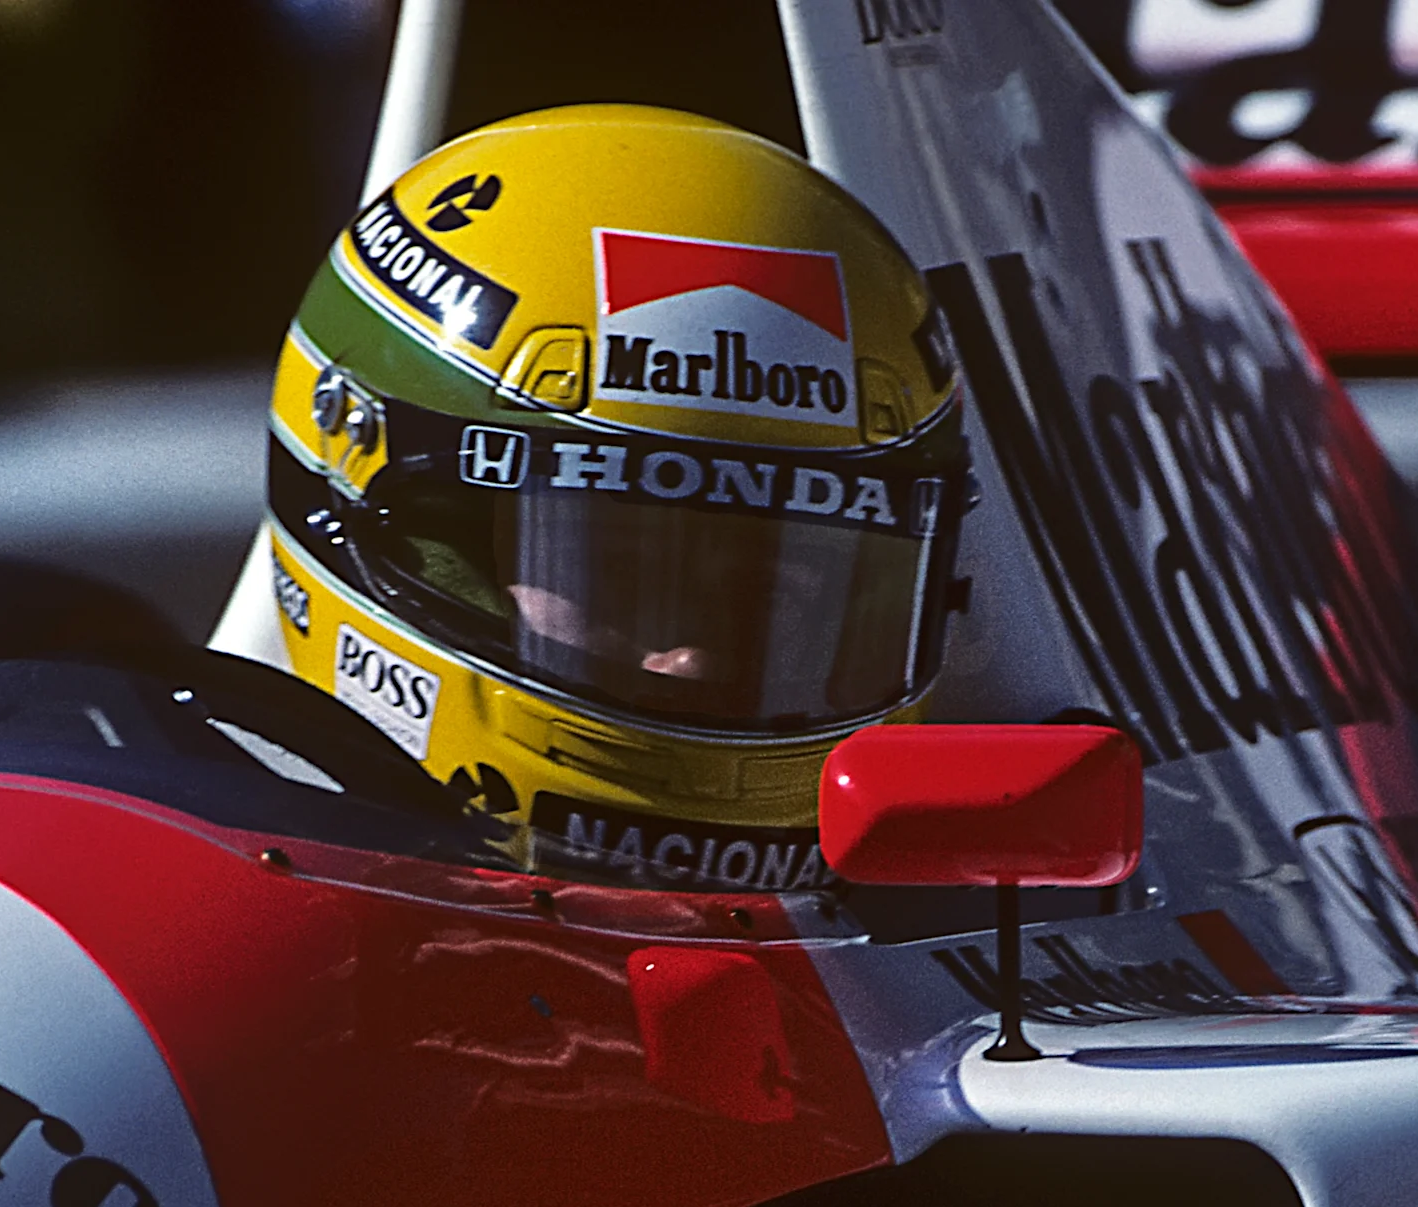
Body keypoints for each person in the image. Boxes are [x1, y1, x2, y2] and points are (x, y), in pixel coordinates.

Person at [219, 103, 969, 894]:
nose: (691, 659)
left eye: (774, 593)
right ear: (411, 540)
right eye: (614, 569)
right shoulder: (204, 928)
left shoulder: (1004, 957)